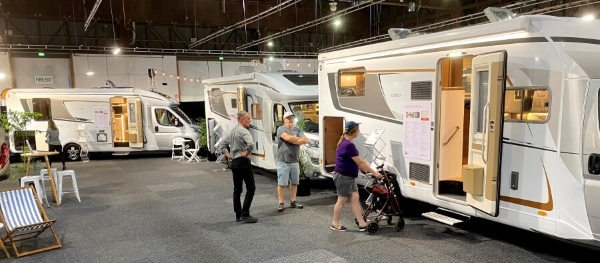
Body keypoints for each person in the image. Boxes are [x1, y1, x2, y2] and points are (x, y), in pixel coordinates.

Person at [330, 121, 382, 231]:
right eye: (358, 129)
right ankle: (335, 223)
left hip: (348, 176)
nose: (359, 131)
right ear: (354, 131)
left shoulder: (345, 142)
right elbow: (361, 161)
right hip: (344, 176)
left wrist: (360, 169)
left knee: (355, 198)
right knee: (342, 200)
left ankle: (362, 223)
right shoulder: (348, 145)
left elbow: (350, 160)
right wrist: (375, 173)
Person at [217, 111, 257, 223]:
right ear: (242, 119)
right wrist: (246, 152)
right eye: (248, 118)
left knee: (237, 189)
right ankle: (245, 213)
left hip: (234, 162)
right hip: (243, 162)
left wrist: (228, 154)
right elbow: (251, 144)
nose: (250, 121)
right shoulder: (244, 131)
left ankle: (238, 215)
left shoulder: (233, 131)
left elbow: (222, 145)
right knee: (251, 188)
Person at [276, 111, 308, 212]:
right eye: (288, 118)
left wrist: (293, 139)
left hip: (294, 160)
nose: (290, 120)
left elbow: (305, 140)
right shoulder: (281, 129)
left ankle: (293, 200)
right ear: (284, 120)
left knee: (294, 182)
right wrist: (297, 140)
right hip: (283, 160)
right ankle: (281, 202)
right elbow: (287, 138)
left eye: (291, 118)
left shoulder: (298, 129)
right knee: (282, 183)